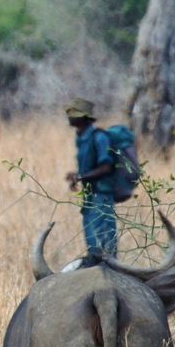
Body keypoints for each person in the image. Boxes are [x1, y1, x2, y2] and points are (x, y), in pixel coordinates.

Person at [63, 97, 116, 257]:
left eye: (73, 114)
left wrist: (81, 176)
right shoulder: (81, 138)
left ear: (82, 117)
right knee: (93, 243)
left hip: (101, 197)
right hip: (90, 197)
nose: (69, 117)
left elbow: (106, 167)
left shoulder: (99, 137)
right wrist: (79, 178)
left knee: (104, 244)